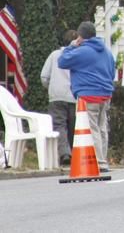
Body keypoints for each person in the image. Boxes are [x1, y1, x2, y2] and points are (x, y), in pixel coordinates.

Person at [58, 21, 115, 173]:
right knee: (102, 127)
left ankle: (99, 161)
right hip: (105, 95)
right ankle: (103, 158)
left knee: (91, 128)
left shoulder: (82, 51)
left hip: (88, 95)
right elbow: (112, 73)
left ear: (80, 37)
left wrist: (71, 46)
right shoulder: (107, 52)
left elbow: (62, 61)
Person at [40, 29, 78, 165]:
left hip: (56, 97)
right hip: (74, 96)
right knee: (74, 126)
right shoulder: (79, 55)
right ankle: (75, 153)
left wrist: (51, 87)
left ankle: (64, 154)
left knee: (59, 125)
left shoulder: (54, 55)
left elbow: (44, 76)